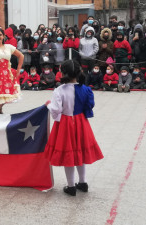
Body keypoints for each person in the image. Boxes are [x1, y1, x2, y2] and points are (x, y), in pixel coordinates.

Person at [44, 60, 103, 196]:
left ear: (63, 73)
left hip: (65, 124)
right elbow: (90, 105)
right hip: (81, 123)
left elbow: (56, 109)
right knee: (79, 152)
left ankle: (70, 186)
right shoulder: (86, 89)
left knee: (68, 154)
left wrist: (48, 105)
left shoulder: (59, 90)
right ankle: (83, 182)